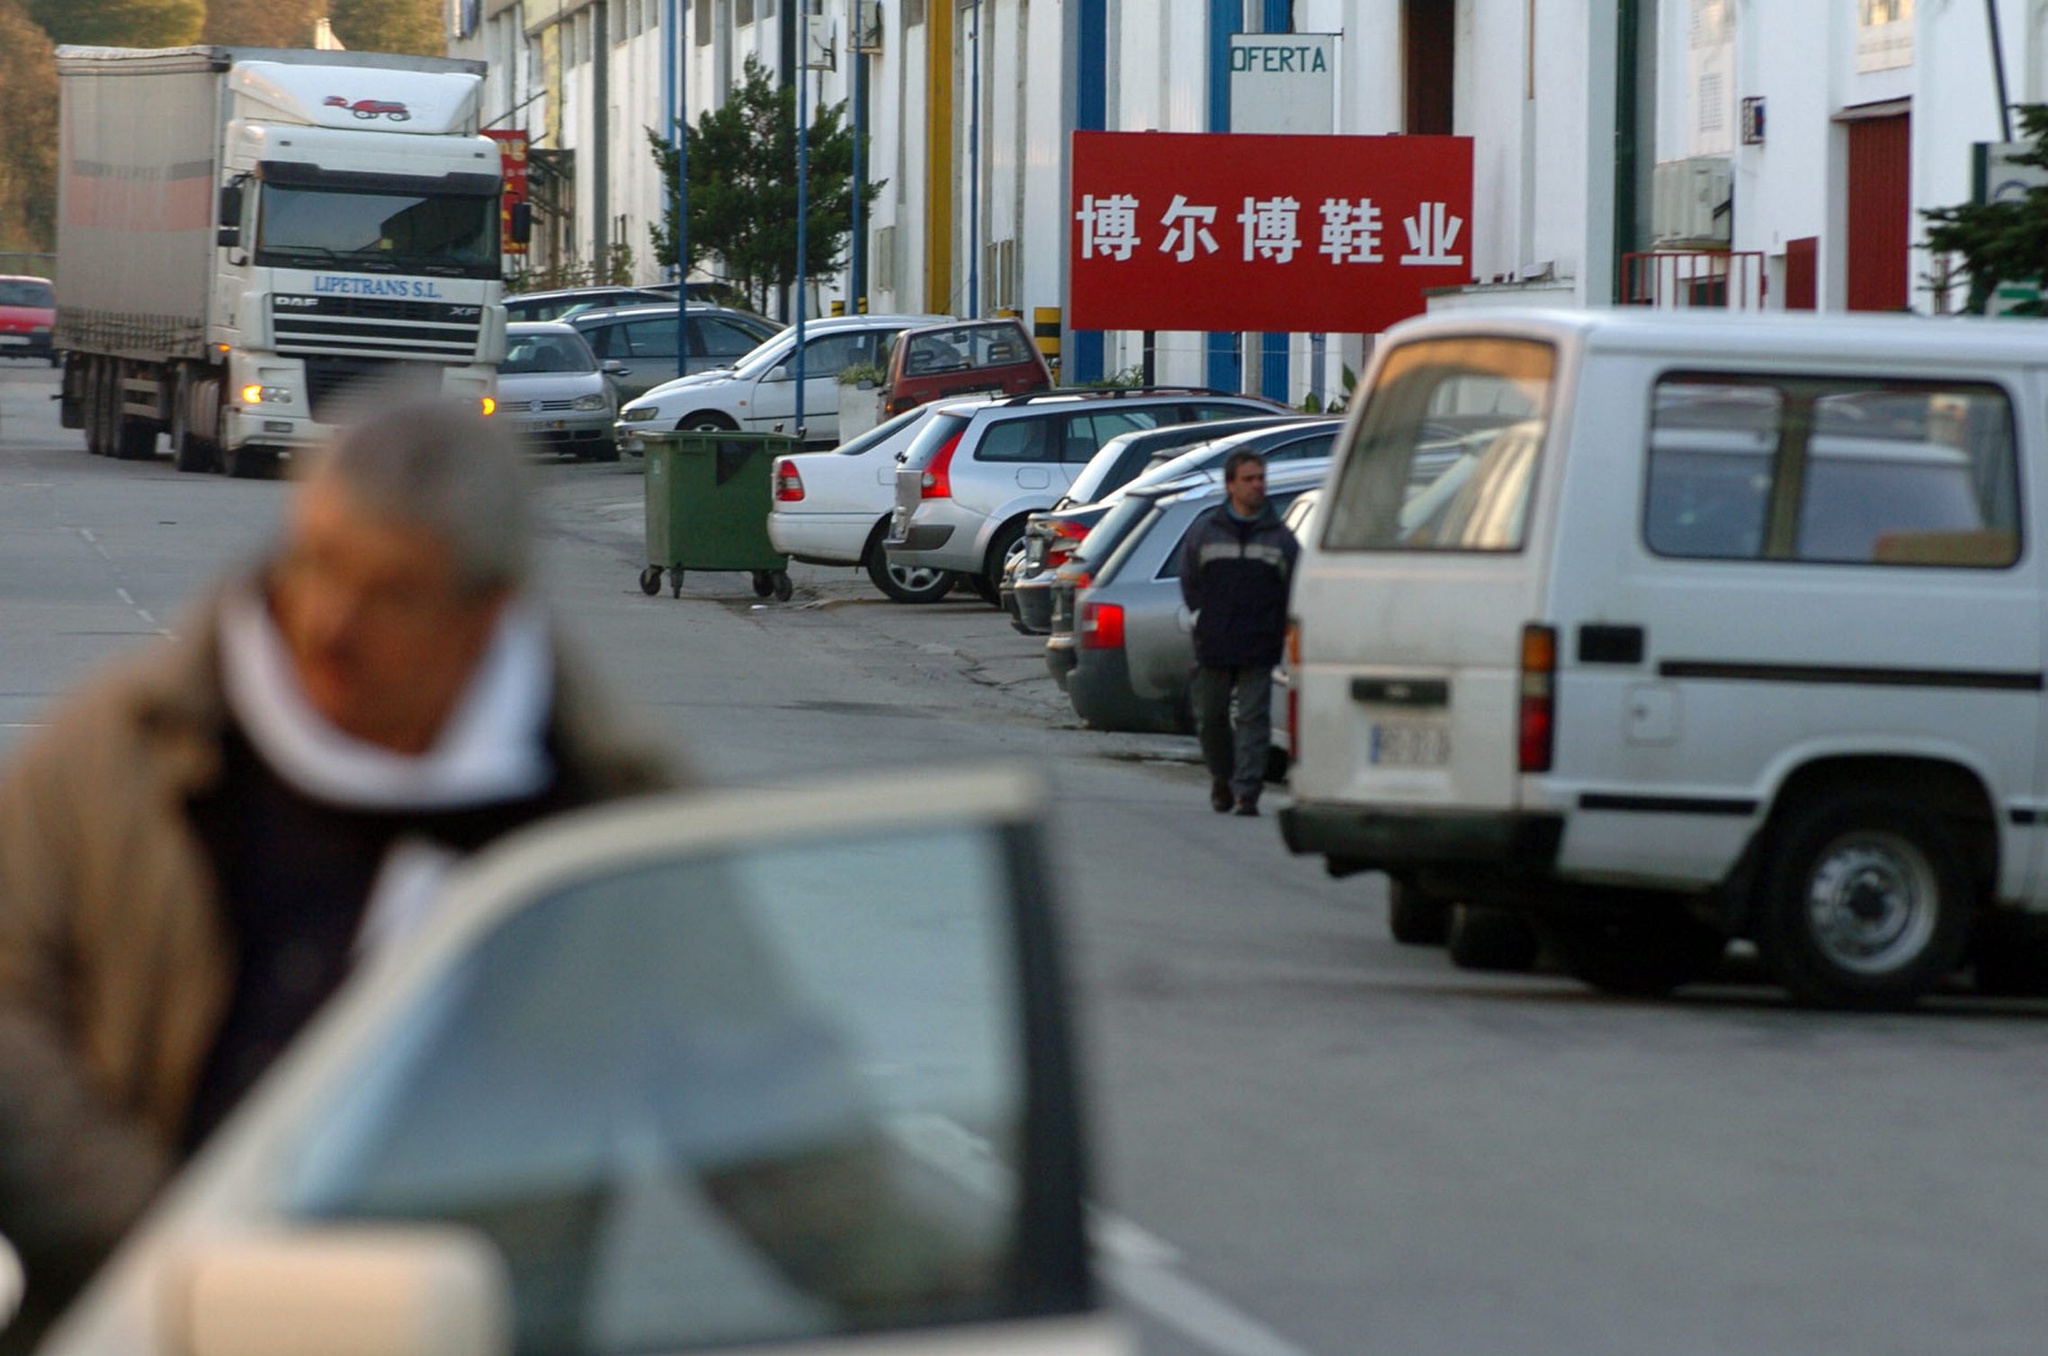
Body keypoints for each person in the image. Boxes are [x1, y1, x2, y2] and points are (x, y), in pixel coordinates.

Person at [0, 396, 680, 1347]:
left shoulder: (605, 817)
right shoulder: (127, 754)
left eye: (393, 593)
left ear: (484, 614)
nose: (331, 623)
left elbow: (766, 1097)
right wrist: (178, 1249)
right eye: (316, 563)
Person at [1179, 448, 1300, 817]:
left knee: (1253, 719)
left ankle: (1247, 792)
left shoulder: (1280, 538)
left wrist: (1278, 627)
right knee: (1210, 717)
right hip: (1214, 641)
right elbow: (1190, 580)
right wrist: (1203, 616)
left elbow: (1293, 588)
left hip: (1259, 644)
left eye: (1261, 478)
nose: (1257, 485)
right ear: (1230, 485)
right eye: (1249, 479)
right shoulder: (1206, 531)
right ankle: (1222, 776)